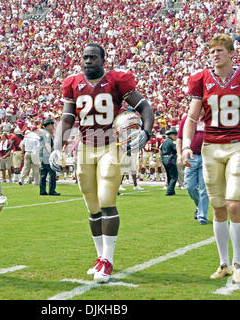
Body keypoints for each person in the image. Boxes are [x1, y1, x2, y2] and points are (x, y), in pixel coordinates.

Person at [50, 43, 154, 283]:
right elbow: (66, 119)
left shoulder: (117, 80)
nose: (88, 61)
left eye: (93, 57)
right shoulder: (73, 83)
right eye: (85, 57)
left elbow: (144, 106)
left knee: (107, 201)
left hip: (110, 146)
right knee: (92, 206)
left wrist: (146, 133)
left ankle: (108, 260)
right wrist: (57, 148)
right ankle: (100, 257)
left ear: (103, 59)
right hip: (85, 147)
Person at [182, 34, 240, 285]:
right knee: (218, 208)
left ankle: (238, 264)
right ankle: (223, 262)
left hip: (237, 146)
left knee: (235, 205)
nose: (215, 54)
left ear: (231, 53)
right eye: (212, 51)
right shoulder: (200, 79)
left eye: (220, 50)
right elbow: (191, 118)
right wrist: (185, 146)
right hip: (211, 147)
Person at [177, 111, 209, 224]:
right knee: (189, 186)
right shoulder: (187, 118)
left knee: (204, 187)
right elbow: (179, 138)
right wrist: (179, 154)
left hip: (206, 156)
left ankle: (202, 216)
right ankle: (200, 205)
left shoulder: (210, 118)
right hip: (191, 155)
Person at [39, 118, 59, 195]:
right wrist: (51, 154)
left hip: (42, 155)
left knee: (43, 174)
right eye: (52, 124)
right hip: (47, 155)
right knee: (52, 173)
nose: (53, 126)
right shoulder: (47, 133)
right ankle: (52, 190)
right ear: (48, 125)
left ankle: (42, 191)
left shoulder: (43, 133)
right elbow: (47, 144)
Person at [160, 127, 178, 196]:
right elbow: (175, 149)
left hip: (164, 158)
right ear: (172, 135)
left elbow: (160, 149)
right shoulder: (172, 142)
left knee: (169, 175)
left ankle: (171, 190)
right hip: (170, 159)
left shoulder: (164, 141)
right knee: (174, 176)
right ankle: (170, 191)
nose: (176, 137)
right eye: (175, 135)